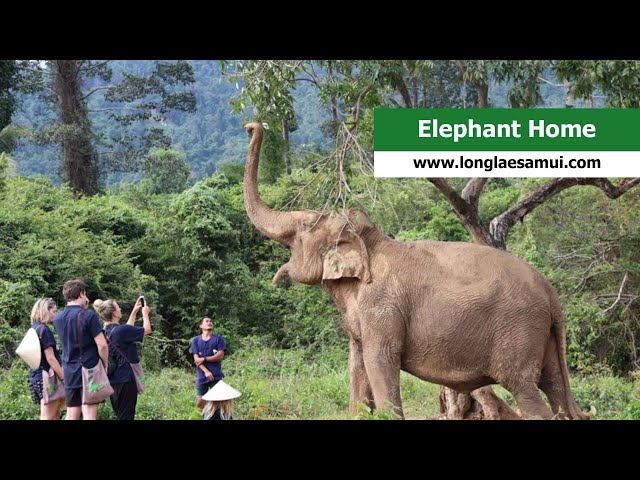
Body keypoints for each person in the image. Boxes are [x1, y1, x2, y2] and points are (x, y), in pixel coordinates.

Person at [52, 279, 108, 420]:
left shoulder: (57, 318)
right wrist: (104, 364)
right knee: (89, 411)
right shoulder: (88, 315)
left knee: (72, 413)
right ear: (82, 294)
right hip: (88, 369)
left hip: (69, 370)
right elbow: (102, 345)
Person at [94, 297, 151, 420]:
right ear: (114, 312)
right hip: (126, 379)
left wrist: (134, 312)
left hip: (112, 380)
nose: (120, 308)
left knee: (121, 414)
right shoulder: (122, 331)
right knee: (126, 416)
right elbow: (147, 330)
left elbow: (126, 329)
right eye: (118, 306)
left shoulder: (104, 332)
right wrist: (145, 314)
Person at [27, 297, 65, 420]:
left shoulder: (33, 329)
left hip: (35, 377)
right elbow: (51, 359)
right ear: (45, 310)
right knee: (47, 416)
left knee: (54, 415)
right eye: (53, 311)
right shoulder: (44, 330)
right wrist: (64, 377)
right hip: (47, 378)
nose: (54, 314)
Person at [189, 317, 226, 411]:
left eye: (210, 321)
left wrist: (204, 359)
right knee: (200, 401)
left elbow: (220, 356)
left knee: (218, 401)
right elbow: (196, 360)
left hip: (216, 375)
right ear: (201, 325)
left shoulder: (218, 339)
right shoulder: (196, 340)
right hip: (202, 375)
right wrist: (206, 371)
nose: (209, 322)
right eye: (207, 321)